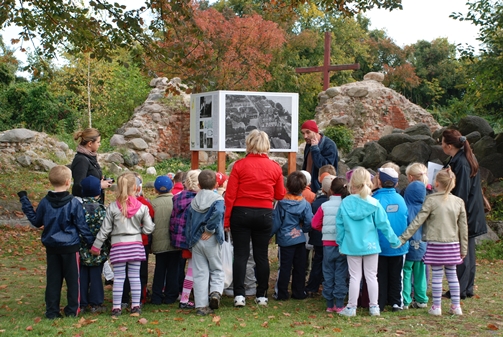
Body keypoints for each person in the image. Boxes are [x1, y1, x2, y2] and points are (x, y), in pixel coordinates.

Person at [18, 165, 94, 319]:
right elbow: (81, 225)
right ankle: (72, 310)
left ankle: (52, 311)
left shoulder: (45, 202)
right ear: (68, 182)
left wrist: (25, 200)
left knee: (53, 281)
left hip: (52, 247)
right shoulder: (74, 203)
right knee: (73, 281)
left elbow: (36, 221)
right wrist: (92, 242)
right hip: (70, 247)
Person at [225, 129, 286, 307]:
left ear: (249, 143)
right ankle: (262, 295)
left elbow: (230, 195)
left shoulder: (239, 165)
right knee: (262, 256)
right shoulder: (274, 167)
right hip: (264, 213)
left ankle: (239, 295)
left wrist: (226, 219)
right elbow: (280, 195)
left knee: (241, 254)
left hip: (241, 212)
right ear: (266, 145)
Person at [398, 168, 468, 316]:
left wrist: (403, 238)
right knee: (452, 275)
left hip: (435, 244)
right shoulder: (459, 202)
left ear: (436, 183)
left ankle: (436, 306)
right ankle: (456, 306)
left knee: (436, 275)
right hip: (453, 244)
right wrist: (464, 248)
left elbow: (417, 222)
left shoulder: (431, 200)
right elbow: (463, 227)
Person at [336, 167, 401, 317]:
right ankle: (374, 307)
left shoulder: (345, 203)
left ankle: (351, 307)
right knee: (372, 276)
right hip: (371, 246)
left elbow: (340, 226)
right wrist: (394, 241)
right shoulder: (374, 203)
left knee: (354, 277)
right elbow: (384, 225)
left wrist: (341, 243)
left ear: (352, 183)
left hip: (352, 245)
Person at [90, 172, 155, 317]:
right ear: (136, 188)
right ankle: (136, 306)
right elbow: (150, 228)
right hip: (136, 245)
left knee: (119, 277)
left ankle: (116, 307)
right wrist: (140, 230)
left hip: (118, 246)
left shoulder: (112, 207)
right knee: (135, 276)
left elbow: (105, 229)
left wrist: (96, 246)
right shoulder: (142, 207)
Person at [442, 129, 487, 299]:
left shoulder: (461, 162)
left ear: (449, 145)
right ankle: (467, 287)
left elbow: (461, 192)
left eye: (442, 142)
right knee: (469, 251)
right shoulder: (465, 157)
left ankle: (459, 289)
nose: (441, 145)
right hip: (472, 211)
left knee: (461, 251)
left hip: (465, 213)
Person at [186, 170, 225, 316]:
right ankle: (215, 292)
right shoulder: (218, 199)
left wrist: (190, 240)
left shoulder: (194, 200)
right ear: (216, 184)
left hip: (196, 240)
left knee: (200, 273)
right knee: (216, 268)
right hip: (212, 240)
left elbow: (189, 223)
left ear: (200, 185)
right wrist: (210, 229)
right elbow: (219, 213)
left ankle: (201, 306)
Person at [271, 171, 313, 301]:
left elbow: (276, 221)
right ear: (304, 186)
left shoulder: (281, 203)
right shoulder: (305, 204)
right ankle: (298, 292)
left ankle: (282, 293)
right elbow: (309, 221)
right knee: (300, 267)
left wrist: (270, 234)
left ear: (287, 186)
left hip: (285, 240)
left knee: (284, 267)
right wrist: (302, 229)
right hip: (299, 238)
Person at [373, 167, 409, 312]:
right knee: (397, 275)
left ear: (379, 181)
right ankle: (396, 302)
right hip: (399, 246)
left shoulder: (375, 199)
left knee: (380, 275)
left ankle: (380, 302)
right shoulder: (401, 199)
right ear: (395, 183)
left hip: (379, 246)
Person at [311, 177, 349, 313]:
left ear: (330, 190)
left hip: (327, 244)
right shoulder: (347, 204)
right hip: (342, 244)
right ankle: (339, 304)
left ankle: (329, 304)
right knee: (340, 274)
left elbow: (314, 223)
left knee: (328, 273)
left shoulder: (324, 206)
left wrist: (324, 229)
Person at [122, 174, 154, 308]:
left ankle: (123, 298)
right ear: (138, 188)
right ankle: (140, 297)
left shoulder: (118, 203)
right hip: (141, 242)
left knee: (123, 271)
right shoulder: (145, 204)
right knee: (140, 271)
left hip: (123, 241)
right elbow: (150, 222)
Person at [78, 175, 109, 314]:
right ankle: (96, 303)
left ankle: (82, 302)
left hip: (81, 249)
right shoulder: (102, 210)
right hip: (98, 249)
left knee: (83, 275)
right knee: (96, 275)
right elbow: (106, 229)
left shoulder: (78, 208)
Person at [170, 169, 200, 309]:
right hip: (193, 239)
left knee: (180, 267)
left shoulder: (177, 197)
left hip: (179, 237)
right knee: (193, 269)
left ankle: (179, 292)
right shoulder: (199, 200)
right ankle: (187, 297)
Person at [150, 176, 181, 305]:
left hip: (158, 242)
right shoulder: (176, 202)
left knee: (159, 269)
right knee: (174, 269)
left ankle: (156, 295)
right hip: (174, 241)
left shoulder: (152, 204)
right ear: (172, 187)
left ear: (155, 190)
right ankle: (170, 295)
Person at [305, 175, 335, 298]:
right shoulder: (338, 202)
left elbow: (313, 221)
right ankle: (330, 286)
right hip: (332, 237)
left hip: (318, 237)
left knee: (317, 262)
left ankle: (312, 287)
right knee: (333, 263)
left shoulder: (316, 203)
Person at [402, 180, 428, 310]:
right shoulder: (425, 208)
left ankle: (405, 300)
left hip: (407, 246)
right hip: (422, 247)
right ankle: (421, 299)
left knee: (406, 272)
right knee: (420, 273)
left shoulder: (405, 208)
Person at [70, 128, 112, 202]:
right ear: (90, 144)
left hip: (93, 204)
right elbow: (78, 186)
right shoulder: (81, 160)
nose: (100, 144)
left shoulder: (91, 157)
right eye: (98, 142)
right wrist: (99, 186)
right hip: (85, 206)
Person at [300, 120, 339, 192]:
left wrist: (315, 149)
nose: (305, 136)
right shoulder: (309, 143)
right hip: (308, 186)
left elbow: (326, 168)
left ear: (315, 131)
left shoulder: (329, 145)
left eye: (308, 132)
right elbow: (306, 165)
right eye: (303, 133)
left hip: (323, 188)